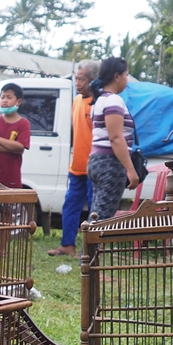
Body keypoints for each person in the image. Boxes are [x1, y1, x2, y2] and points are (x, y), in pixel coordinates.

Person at [49, 60, 98, 256]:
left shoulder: (98, 103)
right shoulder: (76, 100)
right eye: (76, 79)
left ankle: (92, 248)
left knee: (95, 209)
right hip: (76, 167)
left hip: (94, 167)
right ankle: (67, 245)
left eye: (81, 79)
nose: (77, 83)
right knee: (70, 205)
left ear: (93, 81)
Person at [87, 56, 140, 219]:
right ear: (117, 76)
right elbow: (116, 138)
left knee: (97, 213)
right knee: (102, 219)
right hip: (110, 163)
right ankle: (91, 238)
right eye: (126, 75)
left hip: (97, 160)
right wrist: (131, 170)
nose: (127, 80)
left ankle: (89, 237)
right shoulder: (113, 100)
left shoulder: (99, 101)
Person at [0, 83, 30, 188]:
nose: (4, 100)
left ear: (18, 101)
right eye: (2, 97)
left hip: (12, 176)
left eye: (9, 97)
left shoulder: (24, 123)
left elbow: (20, 148)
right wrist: (11, 147)